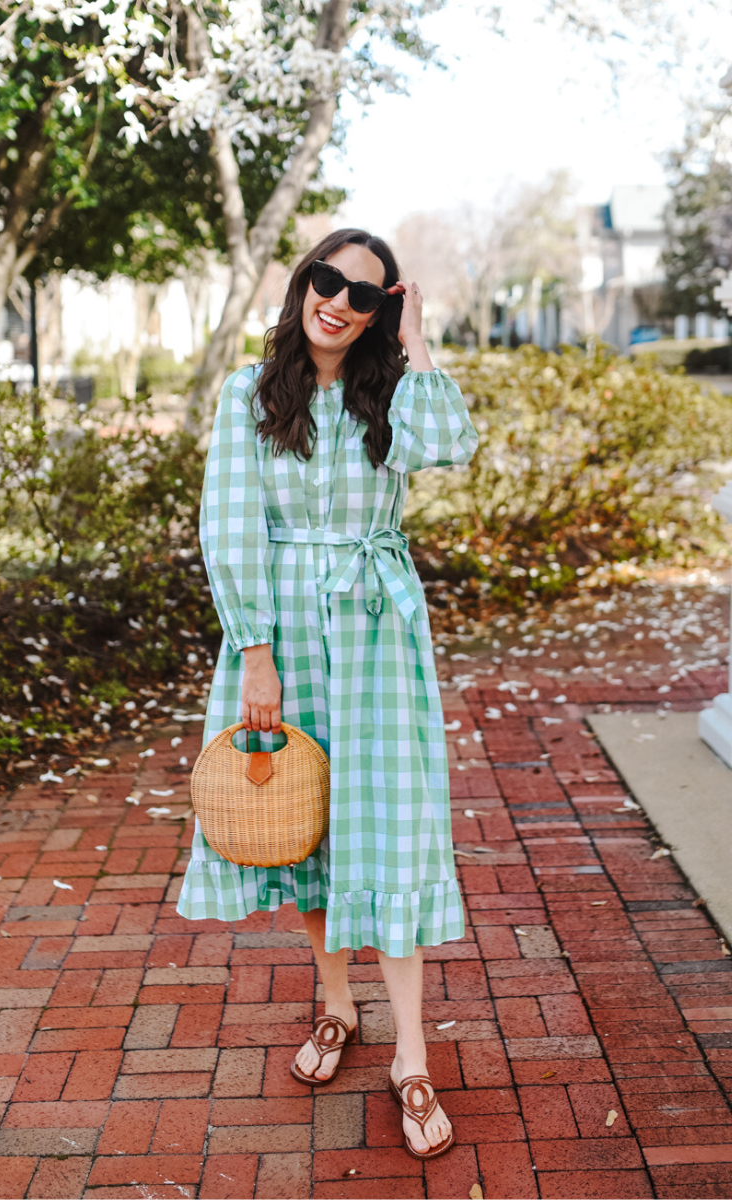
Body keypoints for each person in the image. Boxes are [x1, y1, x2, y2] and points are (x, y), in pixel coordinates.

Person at [179, 228, 477, 1160]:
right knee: (305, 818)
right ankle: (337, 1006)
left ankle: (412, 1057)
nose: (338, 301)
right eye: (326, 279)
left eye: (364, 293)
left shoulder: (391, 391)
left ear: (381, 307)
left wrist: (417, 335)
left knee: (388, 824)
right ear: (302, 281)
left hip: (379, 627)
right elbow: (230, 525)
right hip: (285, 634)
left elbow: (450, 445)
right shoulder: (251, 394)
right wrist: (253, 653)